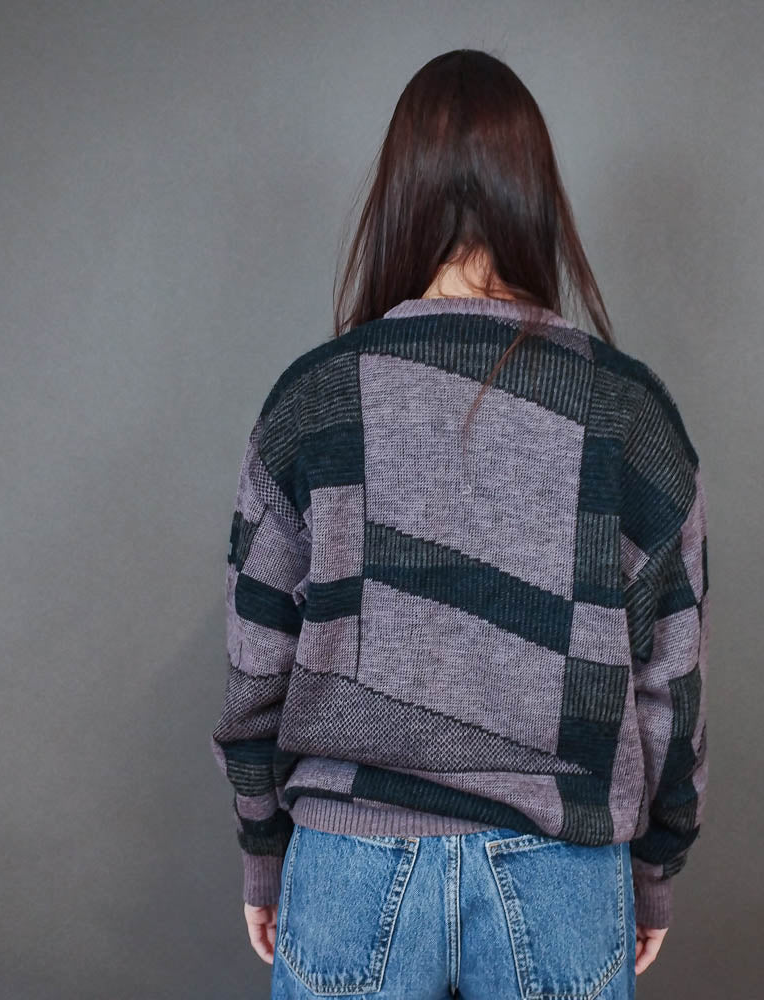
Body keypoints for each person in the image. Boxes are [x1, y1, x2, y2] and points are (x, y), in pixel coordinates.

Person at [211, 47, 709, 1000]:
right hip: (562, 876)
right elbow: (670, 685)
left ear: (397, 198)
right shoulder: (628, 412)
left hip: (350, 869)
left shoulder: (315, 399)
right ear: (537, 199)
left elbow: (254, 663)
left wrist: (264, 850)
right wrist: (655, 868)